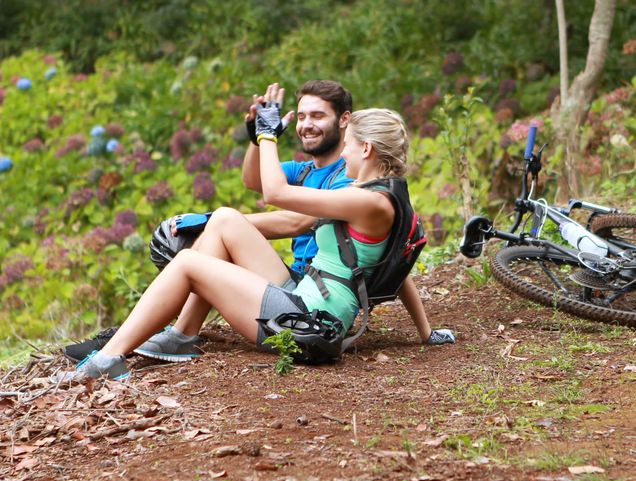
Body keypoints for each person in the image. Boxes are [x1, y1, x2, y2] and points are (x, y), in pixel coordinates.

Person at [73, 89, 454, 380]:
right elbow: (395, 271)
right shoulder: (371, 196)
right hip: (304, 299)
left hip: (308, 325)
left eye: (350, 146)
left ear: (366, 148)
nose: (345, 155)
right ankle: (182, 336)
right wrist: (426, 333)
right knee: (224, 219)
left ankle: (109, 358)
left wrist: (267, 135)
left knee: (189, 262)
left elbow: (275, 194)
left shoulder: (371, 204)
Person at [63, 80, 356, 361]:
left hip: (316, 298)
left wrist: (207, 220)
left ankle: (163, 331)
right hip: (296, 282)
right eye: (302, 116)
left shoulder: (350, 174)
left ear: (343, 120)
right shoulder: (303, 171)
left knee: (223, 220)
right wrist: (257, 137)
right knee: (224, 221)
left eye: (318, 116)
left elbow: (297, 221)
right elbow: (252, 180)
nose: (306, 125)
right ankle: (177, 332)